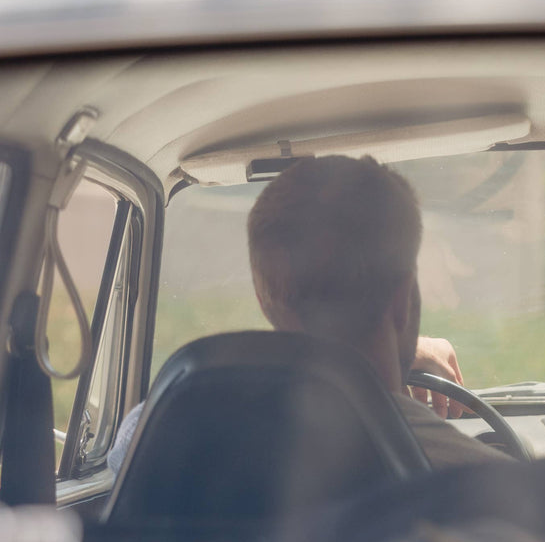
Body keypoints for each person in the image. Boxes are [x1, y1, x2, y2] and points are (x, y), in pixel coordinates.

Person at [109, 155, 501, 475]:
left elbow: (125, 440)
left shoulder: (168, 441)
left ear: (265, 301)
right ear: (402, 299)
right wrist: (398, 348)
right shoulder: (473, 476)